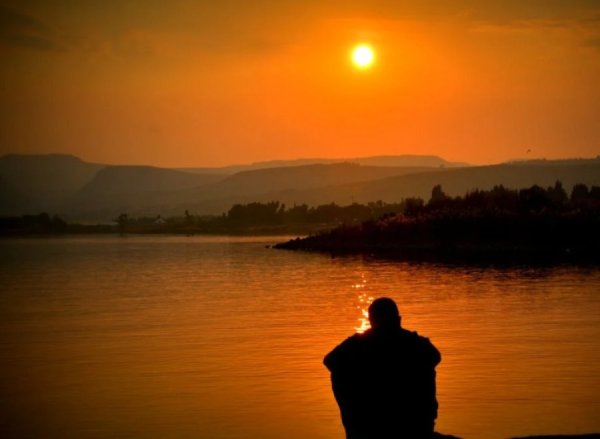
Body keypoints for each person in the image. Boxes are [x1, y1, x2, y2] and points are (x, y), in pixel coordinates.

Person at [324, 297, 441, 439]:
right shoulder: (415, 342)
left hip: (397, 417)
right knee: (339, 373)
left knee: (339, 372)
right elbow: (435, 356)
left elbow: (330, 361)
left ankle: (359, 426)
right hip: (405, 418)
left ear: (372, 321)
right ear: (399, 319)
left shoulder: (359, 343)